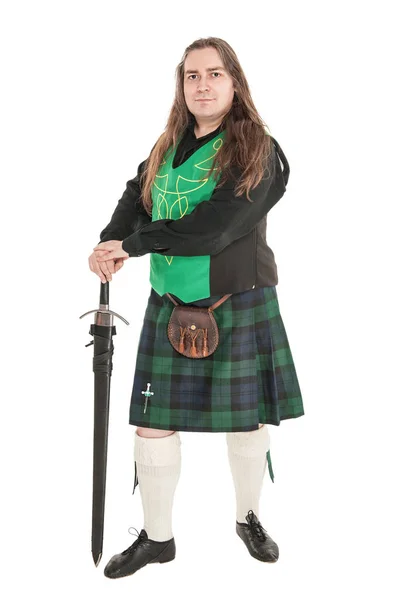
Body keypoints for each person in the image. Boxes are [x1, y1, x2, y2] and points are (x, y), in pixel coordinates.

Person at [88, 37, 304, 579]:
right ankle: (157, 539)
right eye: (192, 76)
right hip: (170, 300)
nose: (202, 85)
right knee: (152, 424)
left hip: (240, 298)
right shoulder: (169, 144)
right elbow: (136, 198)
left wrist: (134, 246)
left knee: (247, 420)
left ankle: (249, 517)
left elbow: (218, 227)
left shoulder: (259, 149)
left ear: (235, 82)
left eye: (214, 74)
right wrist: (110, 242)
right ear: (181, 85)